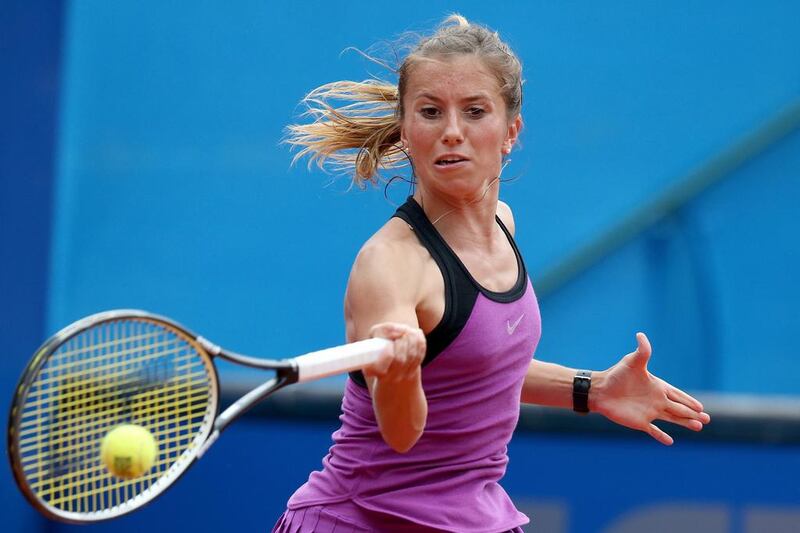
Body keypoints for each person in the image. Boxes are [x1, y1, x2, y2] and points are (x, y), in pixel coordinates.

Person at [274, 15, 711, 533]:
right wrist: (398, 373)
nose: (452, 132)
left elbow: (472, 367)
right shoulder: (389, 265)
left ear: (510, 132)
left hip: (473, 516)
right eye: (430, 112)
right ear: (407, 131)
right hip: (362, 521)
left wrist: (591, 390)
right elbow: (401, 432)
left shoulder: (503, 223)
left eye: (475, 111)